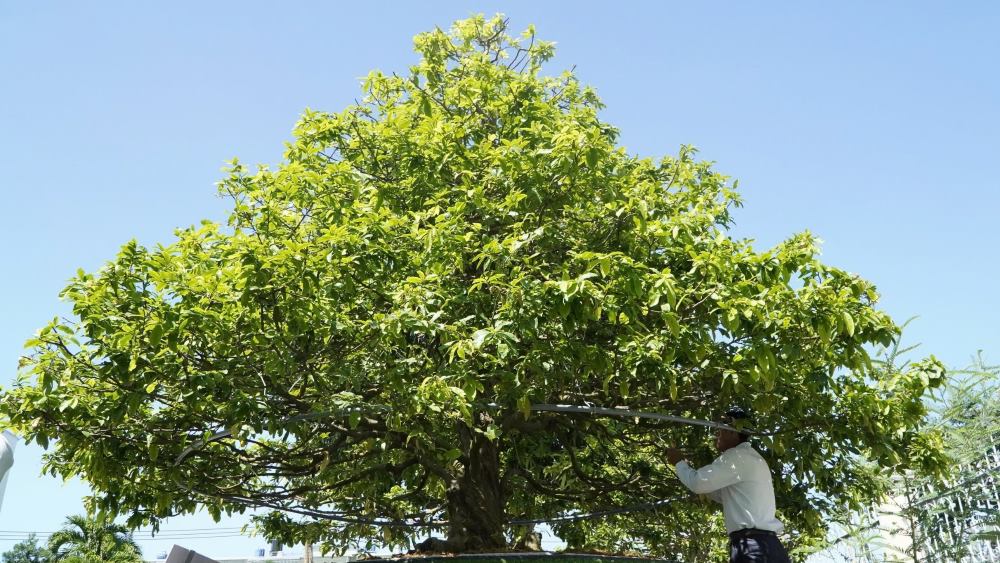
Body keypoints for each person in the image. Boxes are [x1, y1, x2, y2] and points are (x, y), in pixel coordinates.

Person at [666, 407, 791, 563]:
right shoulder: (751, 458)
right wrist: (691, 472)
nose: (717, 434)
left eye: (721, 428)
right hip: (767, 547)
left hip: (753, 547)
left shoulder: (736, 456)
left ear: (732, 430)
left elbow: (698, 483)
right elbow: (721, 494)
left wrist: (679, 462)